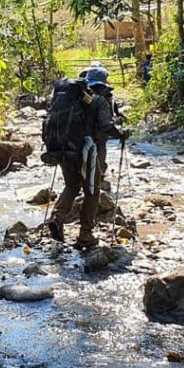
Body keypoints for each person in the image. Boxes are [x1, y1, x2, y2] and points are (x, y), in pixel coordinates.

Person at [48, 68, 130, 249]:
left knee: (71, 186)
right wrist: (122, 133)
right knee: (92, 191)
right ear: (102, 84)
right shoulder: (99, 100)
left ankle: (57, 218)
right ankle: (85, 234)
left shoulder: (71, 98)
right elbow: (106, 126)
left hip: (64, 148)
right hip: (87, 151)